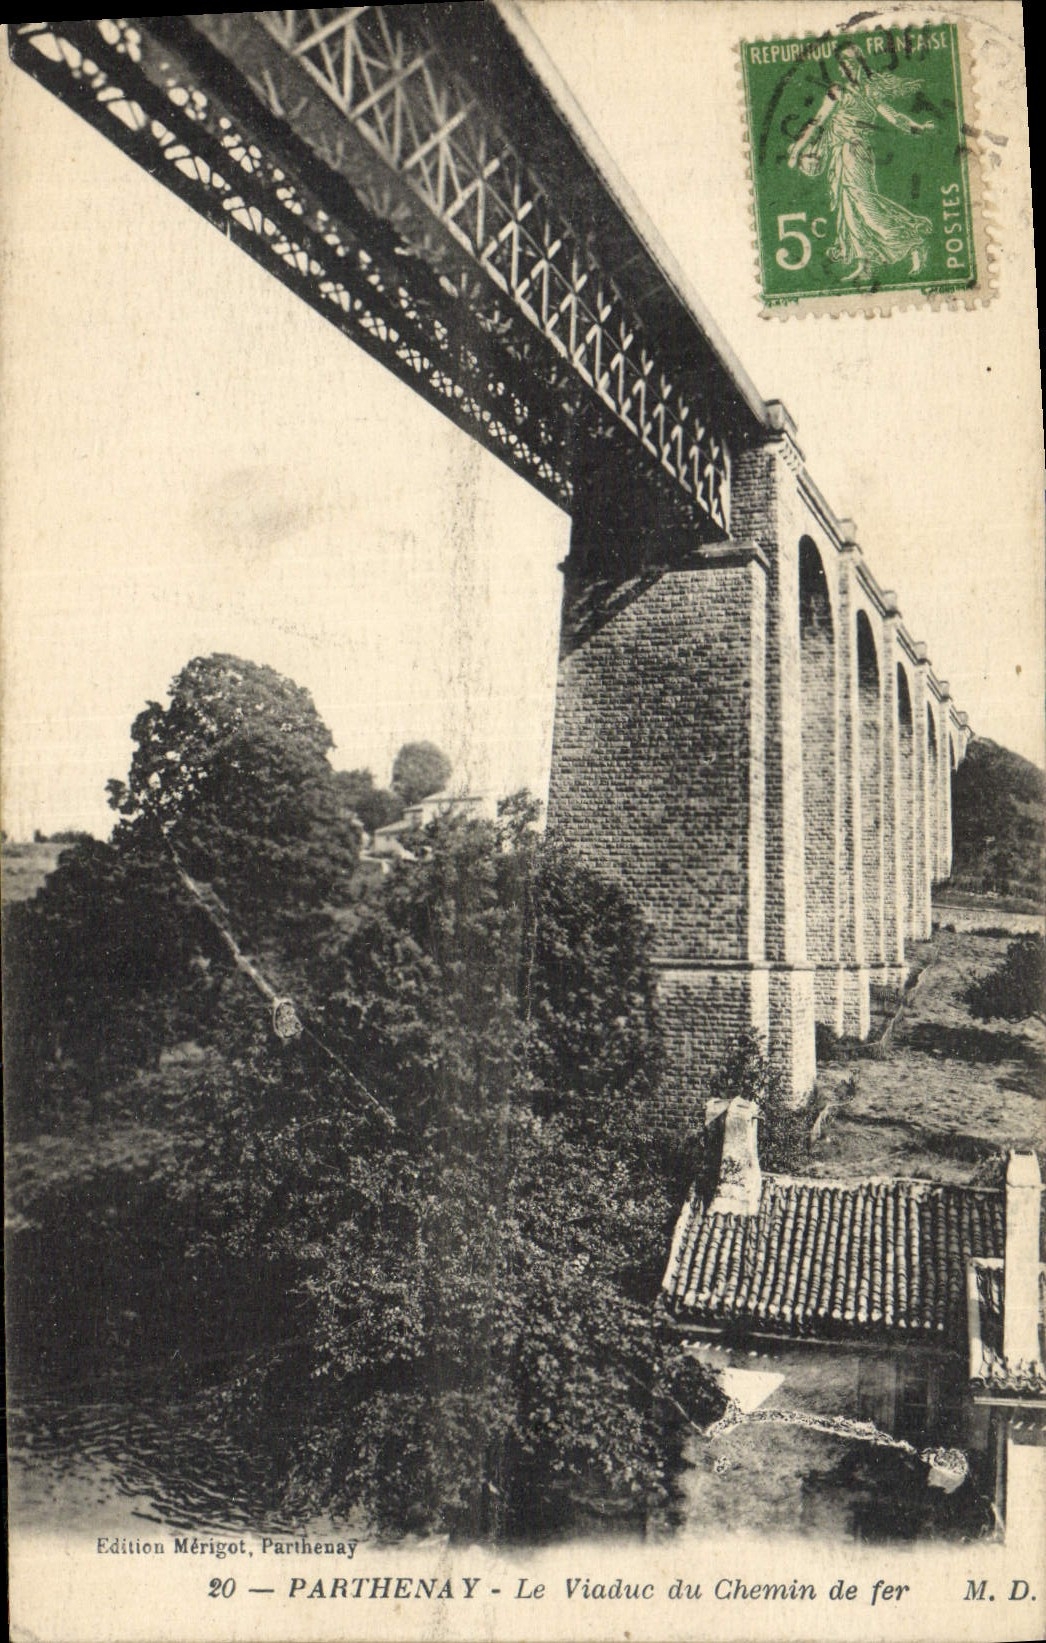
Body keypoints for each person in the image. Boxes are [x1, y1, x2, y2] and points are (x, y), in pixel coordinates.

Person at [787, 44, 935, 281]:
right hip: (838, 153)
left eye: (852, 64)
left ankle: (913, 243)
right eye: (842, 64)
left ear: (860, 65)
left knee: (865, 206)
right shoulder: (837, 91)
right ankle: (865, 262)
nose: (847, 69)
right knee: (849, 209)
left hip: (857, 152)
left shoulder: (869, 93)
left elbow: (893, 117)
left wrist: (917, 128)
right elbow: (817, 122)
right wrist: (796, 150)